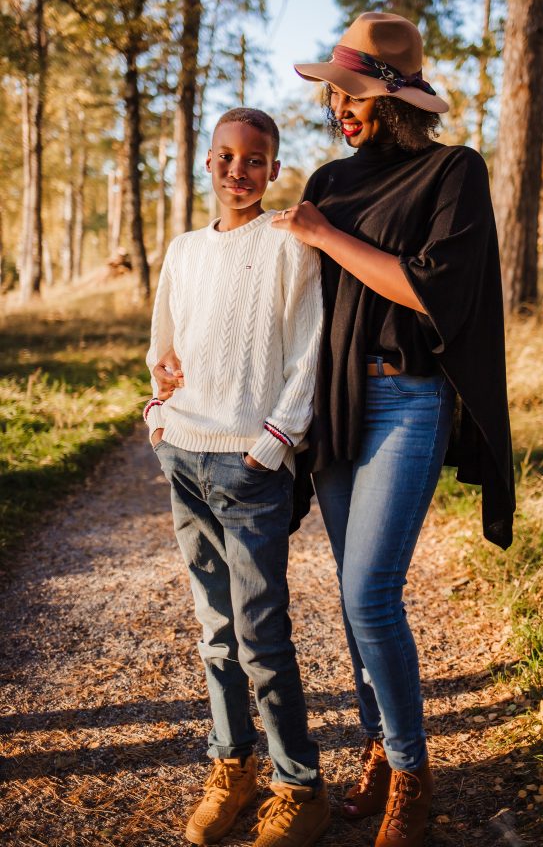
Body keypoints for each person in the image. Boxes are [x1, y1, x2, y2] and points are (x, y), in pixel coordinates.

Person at [270, 11, 517, 847]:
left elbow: (434, 292)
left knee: (370, 591)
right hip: (339, 402)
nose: (341, 106)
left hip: (409, 401)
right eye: (337, 93)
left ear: (396, 98)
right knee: (351, 595)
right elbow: (293, 307)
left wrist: (322, 234)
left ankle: (411, 772)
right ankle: (376, 747)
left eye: (357, 94)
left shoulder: (454, 172)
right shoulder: (328, 179)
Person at [143, 107, 329, 847]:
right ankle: (233, 763)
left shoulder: (288, 245)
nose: (237, 170)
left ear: (274, 169)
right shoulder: (185, 250)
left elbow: (308, 351)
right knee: (214, 631)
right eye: (224, 156)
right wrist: (159, 414)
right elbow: (164, 344)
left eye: (254, 159)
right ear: (207, 162)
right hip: (183, 452)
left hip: (249, 464)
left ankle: (298, 784)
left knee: (260, 631)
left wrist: (273, 443)